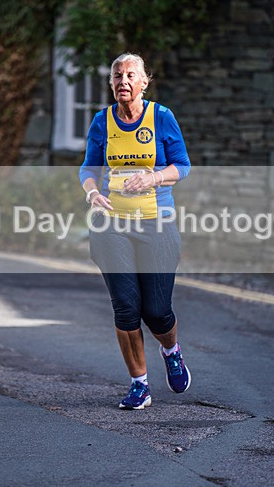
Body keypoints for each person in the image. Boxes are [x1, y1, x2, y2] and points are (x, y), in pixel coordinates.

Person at [79, 53, 192, 410]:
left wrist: (154, 177)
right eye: (117, 76)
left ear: (145, 82)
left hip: (156, 223)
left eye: (131, 75)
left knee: (157, 311)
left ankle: (171, 350)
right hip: (112, 226)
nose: (123, 81)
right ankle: (139, 384)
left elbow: (182, 166)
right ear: (111, 83)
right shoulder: (102, 121)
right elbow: (88, 168)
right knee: (126, 309)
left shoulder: (161, 117)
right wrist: (92, 193)